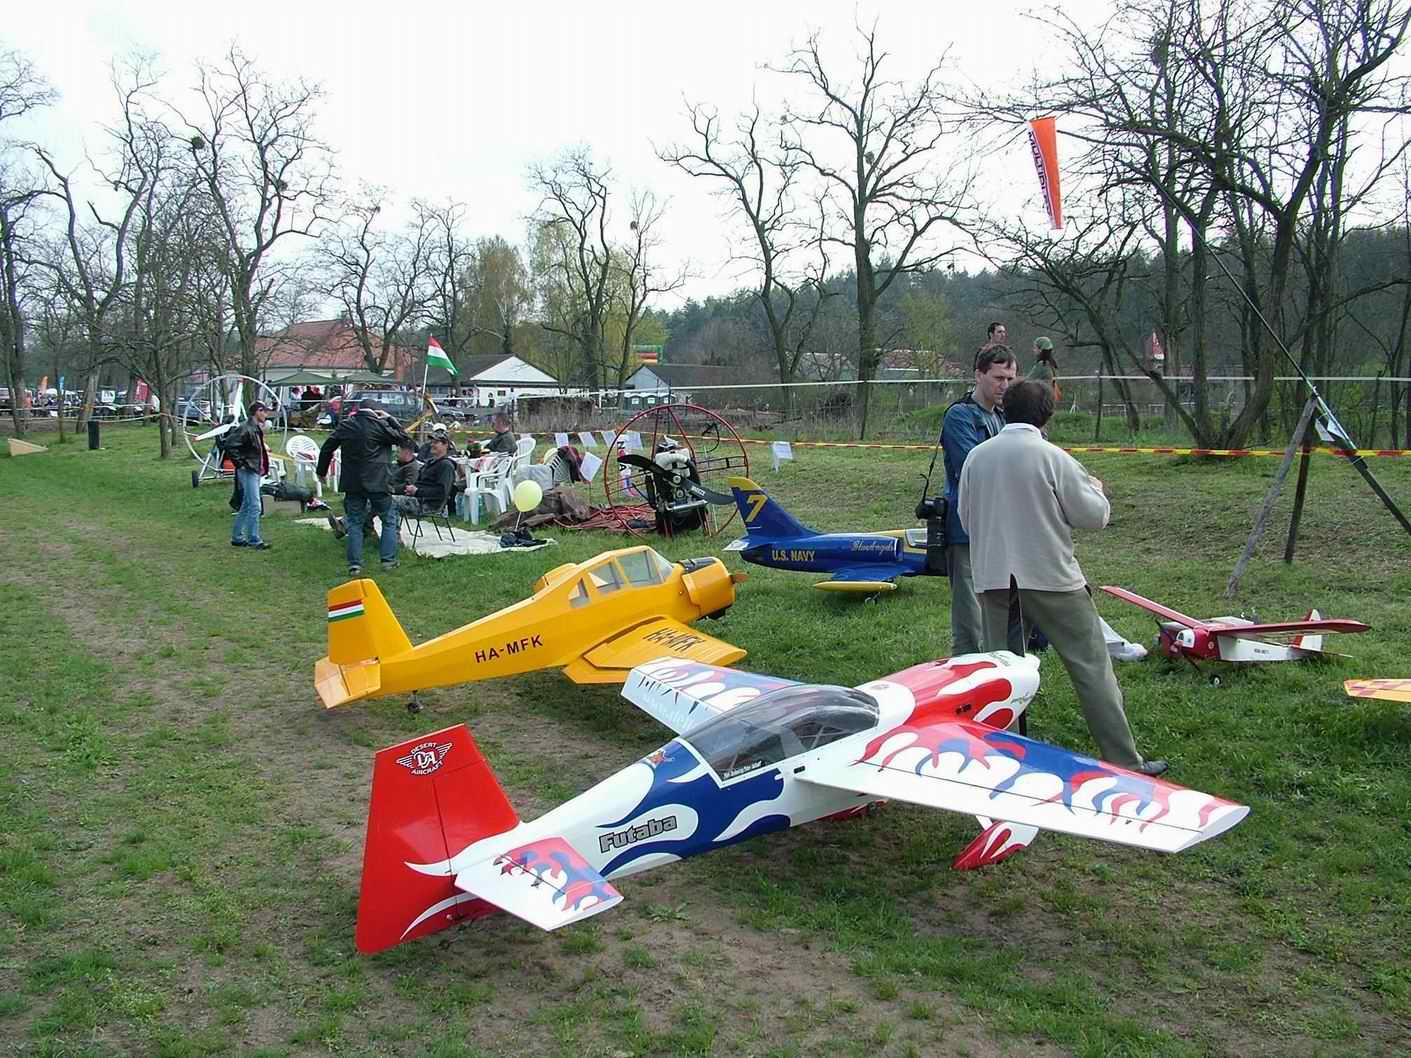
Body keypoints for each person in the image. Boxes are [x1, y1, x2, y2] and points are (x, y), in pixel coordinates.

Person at [958, 380, 1166, 774]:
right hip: (1051, 576)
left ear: (1005, 410)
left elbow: (966, 519)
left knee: (1002, 673)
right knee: (1091, 665)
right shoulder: (1054, 458)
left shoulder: (977, 458)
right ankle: (1123, 760)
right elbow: (1093, 516)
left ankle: (1001, 756)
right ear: (1046, 415)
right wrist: (1095, 489)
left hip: (993, 577)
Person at [941, 346, 1021, 655]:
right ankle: (966, 669)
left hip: (1002, 526)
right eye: (998, 378)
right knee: (969, 617)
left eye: (1010, 378)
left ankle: (1006, 667)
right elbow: (971, 470)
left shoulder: (1005, 416)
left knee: (1006, 607)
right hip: (967, 526)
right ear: (979, 375)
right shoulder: (959, 415)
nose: (1005, 385)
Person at [317, 398, 414, 575]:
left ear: (358, 409)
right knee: (388, 519)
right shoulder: (381, 426)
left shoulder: (346, 425)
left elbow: (327, 448)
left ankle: (355, 565)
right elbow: (405, 439)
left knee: (355, 522)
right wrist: (390, 418)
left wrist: (321, 472)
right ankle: (388, 561)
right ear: (377, 412)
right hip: (378, 482)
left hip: (353, 482)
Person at [328, 440, 421, 539]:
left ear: (407, 452)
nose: (396, 454)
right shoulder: (398, 464)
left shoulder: (412, 467)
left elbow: (408, 487)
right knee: (362, 498)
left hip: (405, 498)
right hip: (387, 492)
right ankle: (364, 530)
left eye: (398, 452)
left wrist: (389, 489)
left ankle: (345, 525)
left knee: (371, 502)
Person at [229, 402, 273, 551]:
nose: (266, 415)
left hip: (254, 469)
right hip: (248, 470)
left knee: (247, 504)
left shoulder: (255, 428)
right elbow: (230, 445)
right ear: (257, 411)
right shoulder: (245, 428)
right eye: (264, 411)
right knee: (255, 505)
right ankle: (254, 539)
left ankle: (237, 537)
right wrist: (241, 464)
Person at [394, 434, 457, 516]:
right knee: (382, 499)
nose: (432, 445)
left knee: (385, 502)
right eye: (432, 442)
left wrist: (417, 491)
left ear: (445, 445)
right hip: (416, 499)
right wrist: (410, 490)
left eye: (436, 442)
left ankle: (389, 524)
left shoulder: (446, 465)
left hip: (427, 505)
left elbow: (442, 492)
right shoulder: (429, 463)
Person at [1029, 337, 1061, 401]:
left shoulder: (1042, 365)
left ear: (1040, 350)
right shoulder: (1052, 364)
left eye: (1035, 348)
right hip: (1050, 398)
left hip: (1042, 398)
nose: (1033, 350)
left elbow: (1028, 380)